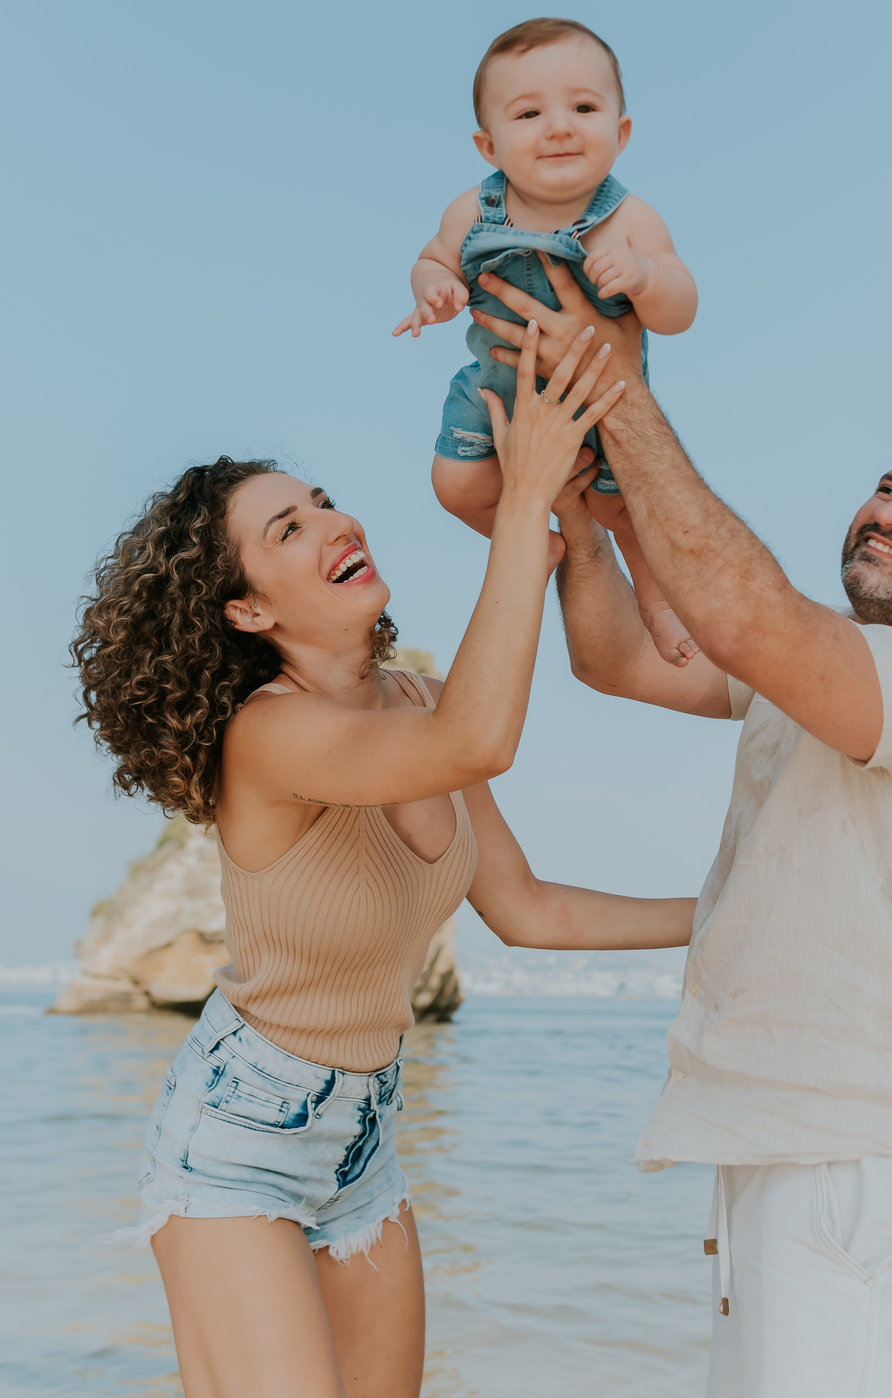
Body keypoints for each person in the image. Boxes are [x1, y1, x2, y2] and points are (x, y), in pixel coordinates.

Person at [71, 323, 695, 1398]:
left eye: (321, 501)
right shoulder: (266, 738)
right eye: (288, 527)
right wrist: (519, 518)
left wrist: (735, 907)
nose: (332, 522)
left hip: (363, 1137)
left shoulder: (413, 695)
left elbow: (530, 909)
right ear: (248, 609)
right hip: (237, 1139)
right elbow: (478, 741)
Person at [468, 259, 892, 1398]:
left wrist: (613, 383)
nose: (890, 512)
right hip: (789, 1143)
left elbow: (741, 616)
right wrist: (585, 518)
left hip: (870, 1162)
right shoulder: (840, 665)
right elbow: (623, 657)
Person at [392, 15, 700, 665]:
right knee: (454, 483)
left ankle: (659, 602)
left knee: (633, 517)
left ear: (619, 133)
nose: (559, 126)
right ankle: (535, 544)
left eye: (583, 107)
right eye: (529, 114)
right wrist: (436, 289)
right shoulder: (472, 212)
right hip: (498, 389)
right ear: (488, 146)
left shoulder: (630, 219)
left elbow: (680, 309)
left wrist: (646, 278)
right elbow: (433, 258)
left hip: (603, 400)